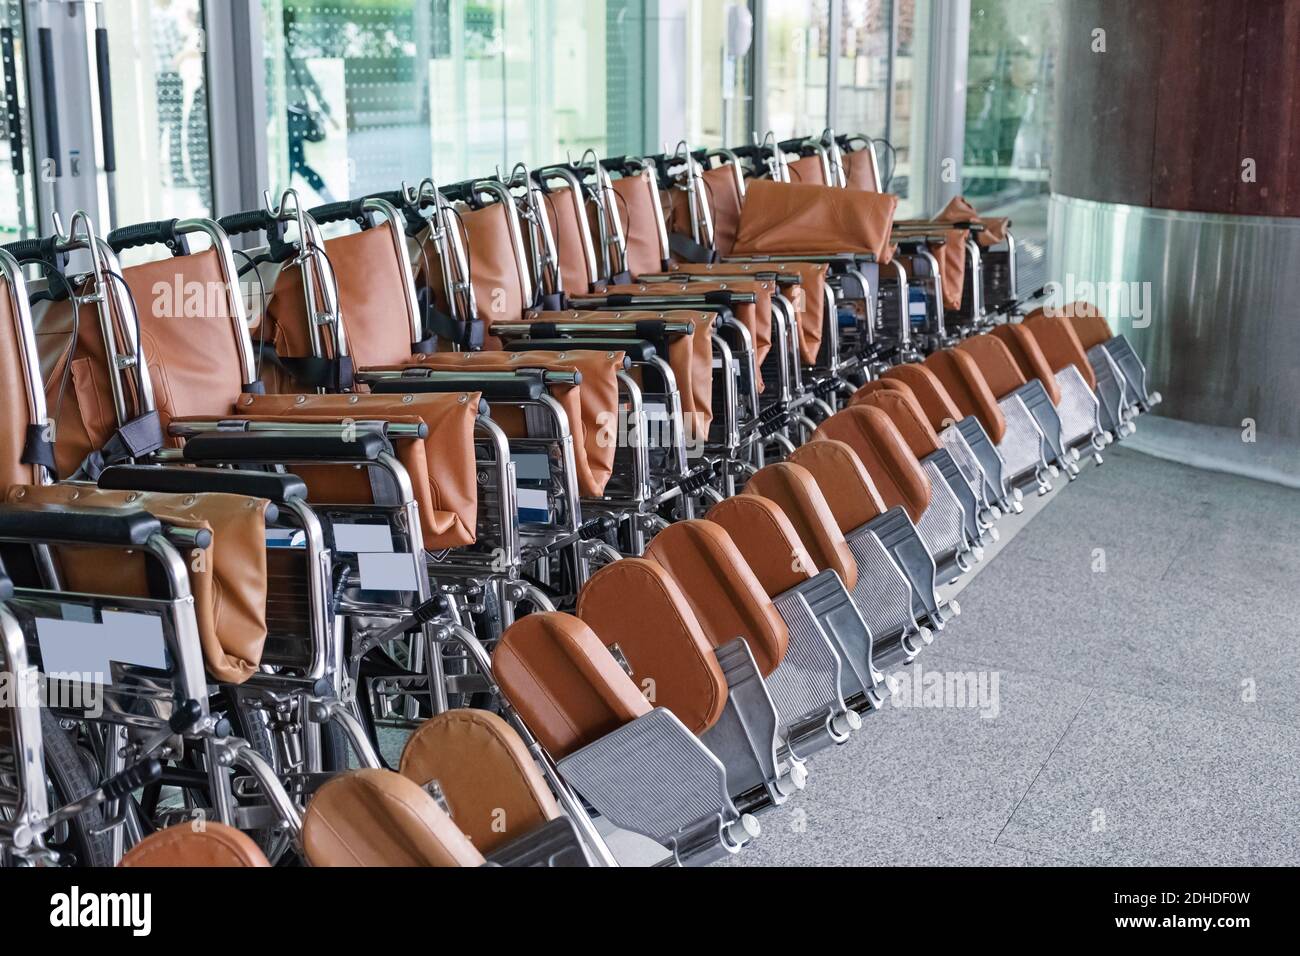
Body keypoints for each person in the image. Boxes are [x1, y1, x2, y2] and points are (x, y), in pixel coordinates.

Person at [283, 10, 339, 203]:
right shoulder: (293, 54)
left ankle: (276, 209)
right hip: (300, 117)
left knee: (293, 163)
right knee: (294, 163)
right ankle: (326, 196)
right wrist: (328, 112)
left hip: (290, 117)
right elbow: (312, 86)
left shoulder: (277, 56)